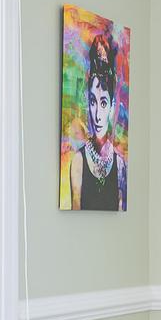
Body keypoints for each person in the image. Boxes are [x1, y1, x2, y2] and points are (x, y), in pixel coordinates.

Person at [60, 33, 125, 210]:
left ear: (112, 106)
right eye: (93, 101)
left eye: (103, 102)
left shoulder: (119, 165)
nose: (97, 113)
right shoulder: (79, 161)